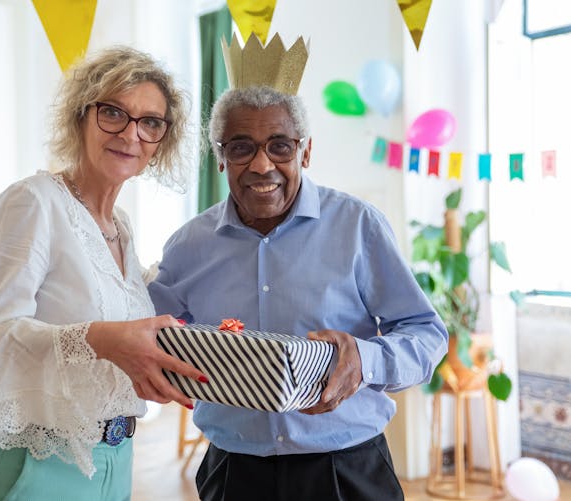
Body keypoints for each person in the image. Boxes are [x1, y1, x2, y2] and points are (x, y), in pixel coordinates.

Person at [148, 84, 449, 500]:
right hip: (234, 472)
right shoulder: (188, 246)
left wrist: (365, 360)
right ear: (221, 157)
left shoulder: (359, 226)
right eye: (240, 148)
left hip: (347, 469)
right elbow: (149, 337)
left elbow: (426, 333)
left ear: (305, 152)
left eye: (280, 146)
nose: (261, 164)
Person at [0, 47, 208, 500]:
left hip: (115, 459)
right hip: (38, 460)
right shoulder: (33, 202)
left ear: (161, 139)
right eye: (113, 113)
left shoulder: (119, 226)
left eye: (150, 122)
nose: (131, 133)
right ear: (80, 116)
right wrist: (104, 339)